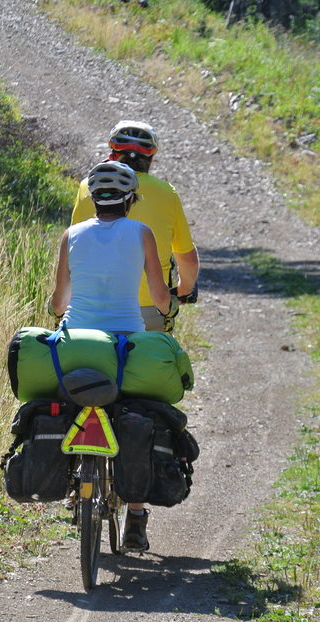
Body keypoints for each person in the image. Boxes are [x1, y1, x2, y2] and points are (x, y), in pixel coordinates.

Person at [50, 160, 177, 551]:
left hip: (77, 341)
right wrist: (169, 305)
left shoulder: (71, 234)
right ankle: (136, 515)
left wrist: (62, 312)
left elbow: (58, 303)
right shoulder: (141, 232)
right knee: (138, 410)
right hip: (124, 342)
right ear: (131, 199)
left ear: (92, 199)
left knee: (67, 399)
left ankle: (73, 481)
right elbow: (157, 297)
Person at [71, 120, 199, 333]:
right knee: (159, 362)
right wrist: (184, 290)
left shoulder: (87, 187)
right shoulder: (166, 193)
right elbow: (187, 258)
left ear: (113, 152)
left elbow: (73, 249)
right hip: (147, 311)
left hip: (90, 309)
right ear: (150, 158)